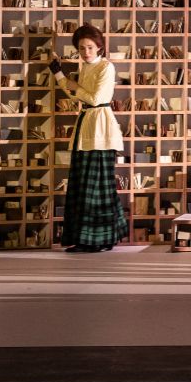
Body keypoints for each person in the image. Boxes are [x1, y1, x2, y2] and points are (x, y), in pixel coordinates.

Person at [53, 23, 126, 252]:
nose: (86, 52)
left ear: (99, 47)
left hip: (100, 130)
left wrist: (75, 87)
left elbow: (96, 99)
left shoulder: (106, 67)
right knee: (83, 186)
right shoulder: (85, 67)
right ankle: (97, 239)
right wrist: (58, 74)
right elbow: (77, 95)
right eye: (82, 48)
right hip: (86, 127)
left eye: (90, 47)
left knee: (96, 189)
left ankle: (95, 241)